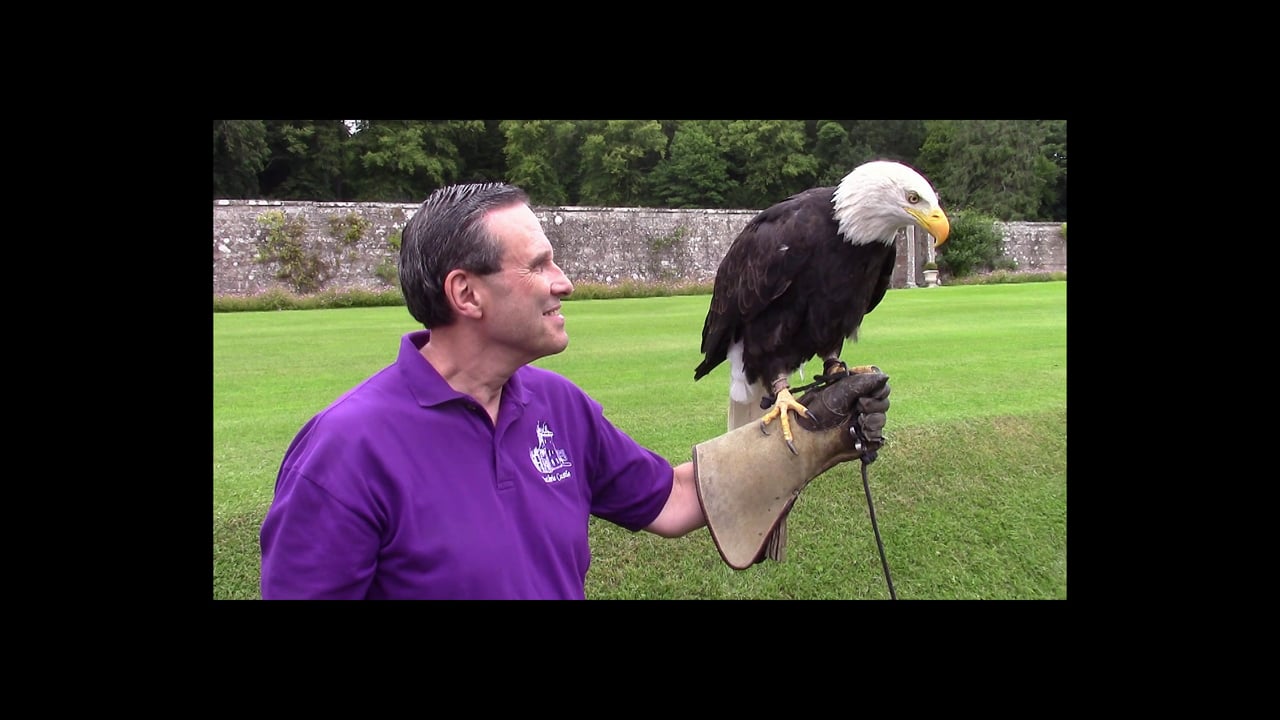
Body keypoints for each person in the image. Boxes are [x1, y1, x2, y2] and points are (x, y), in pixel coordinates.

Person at [259, 182, 889, 600]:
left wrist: (810, 437)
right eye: (538, 265)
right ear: (466, 294)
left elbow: (672, 499)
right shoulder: (345, 452)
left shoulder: (558, 408)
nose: (564, 282)